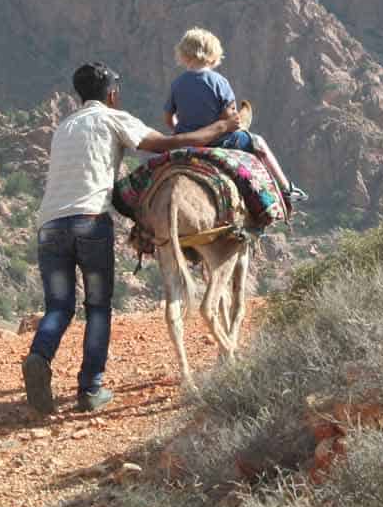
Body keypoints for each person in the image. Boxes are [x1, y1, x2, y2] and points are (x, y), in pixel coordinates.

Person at [23, 62, 241, 415]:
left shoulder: (63, 127)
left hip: (49, 226)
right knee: (97, 307)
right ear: (112, 94)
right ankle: (90, 389)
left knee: (59, 307)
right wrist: (223, 126)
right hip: (90, 222)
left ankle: (38, 356)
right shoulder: (113, 118)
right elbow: (170, 144)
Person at [164, 27, 307, 203]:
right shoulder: (219, 82)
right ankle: (286, 189)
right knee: (258, 142)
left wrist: (184, 131)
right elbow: (229, 118)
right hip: (218, 141)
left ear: (183, 53)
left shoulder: (177, 83)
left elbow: (169, 118)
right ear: (213, 53)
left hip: (185, 142)